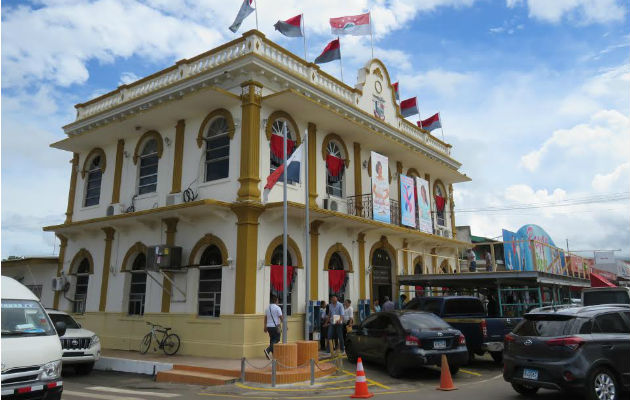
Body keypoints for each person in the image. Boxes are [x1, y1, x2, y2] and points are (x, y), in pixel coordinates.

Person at [263, 295, 283, 360]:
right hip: (275, 326)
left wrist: (265, 326)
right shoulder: (277, 308)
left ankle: (274, 354)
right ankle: (267, 350)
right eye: (277, 300)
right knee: (277, 339)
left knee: (272, 340)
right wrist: (285, 325)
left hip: (269, 327)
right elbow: (281, 317)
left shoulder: (267, 308)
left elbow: (265, 318)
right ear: (276, 300)